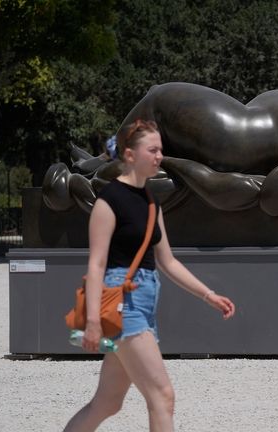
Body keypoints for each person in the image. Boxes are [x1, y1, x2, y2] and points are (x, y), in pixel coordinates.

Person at [64, 119, 236, 432]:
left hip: (143, 303)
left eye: (161, 150)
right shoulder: (109, 201)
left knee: (107, 404)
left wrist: (208, 295)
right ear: (129, 155)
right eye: (152, 150)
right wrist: (91, 321)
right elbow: (96, 265)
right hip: (123, 306)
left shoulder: (151, 202)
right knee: (162, 396)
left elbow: (167, 262)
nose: (159, 156)